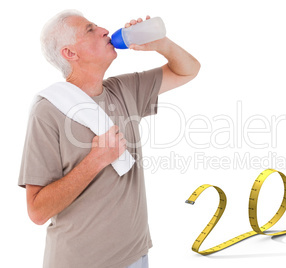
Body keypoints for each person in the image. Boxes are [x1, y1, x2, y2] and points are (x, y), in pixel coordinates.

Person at [18, 9, 200, 268]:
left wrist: (160, 44)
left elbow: (188, 70)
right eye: (90, 29)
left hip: (136, 255)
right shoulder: (48, 110)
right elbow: (37, 211)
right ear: (70, 53)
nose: (104, 30)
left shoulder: (124, 89)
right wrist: (96, 160)